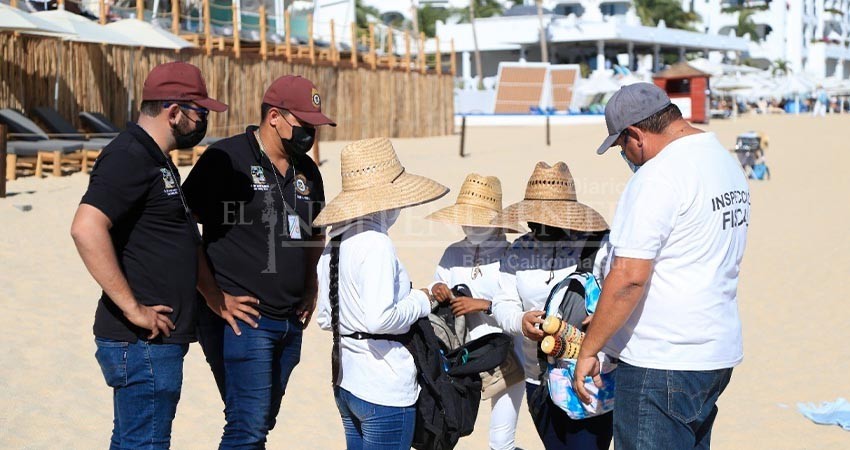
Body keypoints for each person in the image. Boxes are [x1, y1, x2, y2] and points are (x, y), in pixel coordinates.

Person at [575, 82, 749, 450]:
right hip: (713, 352)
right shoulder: (723, 161)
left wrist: (589, 349)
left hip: (663, 360)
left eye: (621, 146)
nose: (626, 155)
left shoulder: (658, 176)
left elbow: (629, 278)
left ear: (635, 135)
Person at [70, 62, 227, 449]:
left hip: (153, 342)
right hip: (142, 341)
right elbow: (86, 228)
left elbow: (180, 238)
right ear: (174, 112)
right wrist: (133, 308)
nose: (204, 121)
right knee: (146, 443)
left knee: (132, 440)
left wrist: (213, 296)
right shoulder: (129, 155)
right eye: (200, 112)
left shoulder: (157, 158)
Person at [182, 75, 335, 449]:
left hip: (291, 317)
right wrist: (213, 295)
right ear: (274, 117)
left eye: (315, 125)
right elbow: (180, 228)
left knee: (261, 419)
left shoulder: (307, 170)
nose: (311, 133)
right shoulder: (226, 159)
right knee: (247, 426)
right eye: (304, 124)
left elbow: (315, 233)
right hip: (242, 318)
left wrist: (311, 286)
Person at [314, 137, 449, 450]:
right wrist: (422, 300)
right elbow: (379, 319)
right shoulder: (375, 242)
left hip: (347, 380)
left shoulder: (336, 241)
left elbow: (325, 318)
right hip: (382, 387)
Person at [490, 162, 612, 450]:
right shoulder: (518, 250)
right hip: (538, 379)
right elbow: (502, 302)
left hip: (589, 377)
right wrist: (520, 321)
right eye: (535, 220)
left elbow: (624, 294)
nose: (540, 227)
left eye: (550, 219)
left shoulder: (599, 246)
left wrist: (601, 316)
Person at [425, 174, 526, 450]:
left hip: (507, 354)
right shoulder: (453, 252)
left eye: (478, 219)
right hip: (463, 355)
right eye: (466, 218)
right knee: (450, 428)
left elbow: (522, 307)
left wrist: (481, 304)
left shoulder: (512, 254)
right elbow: (435, 283)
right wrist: (438, 289)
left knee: (501, 442)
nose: (471, 225)